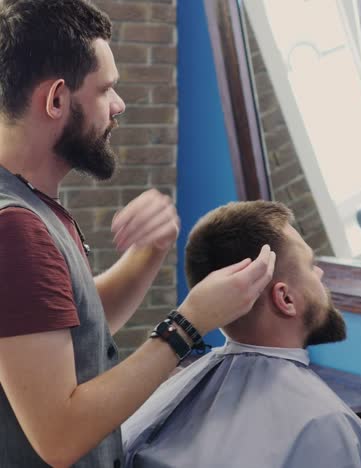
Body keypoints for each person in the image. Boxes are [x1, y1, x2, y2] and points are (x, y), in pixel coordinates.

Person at [0, 1, 276, 467]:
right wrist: (188, 324)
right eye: (106, 89)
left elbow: (71, 332)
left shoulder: (33, 207)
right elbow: (60, 436)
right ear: (56, 100)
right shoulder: (15, 229)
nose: (119, 105)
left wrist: (150, 252)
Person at [122, 201, 361, 468]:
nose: (319, 273)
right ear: (285, 299)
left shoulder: (155, 401)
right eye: (310, 265)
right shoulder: (320, 424)